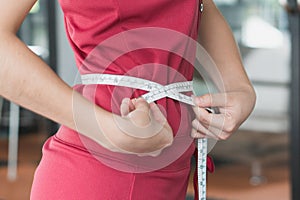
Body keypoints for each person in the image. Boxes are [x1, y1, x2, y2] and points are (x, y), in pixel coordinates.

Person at [0, 0, 256, 199]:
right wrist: (110, 131)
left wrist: (239, 87)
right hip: (98, 172)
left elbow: (203, 6)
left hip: (172, 170)